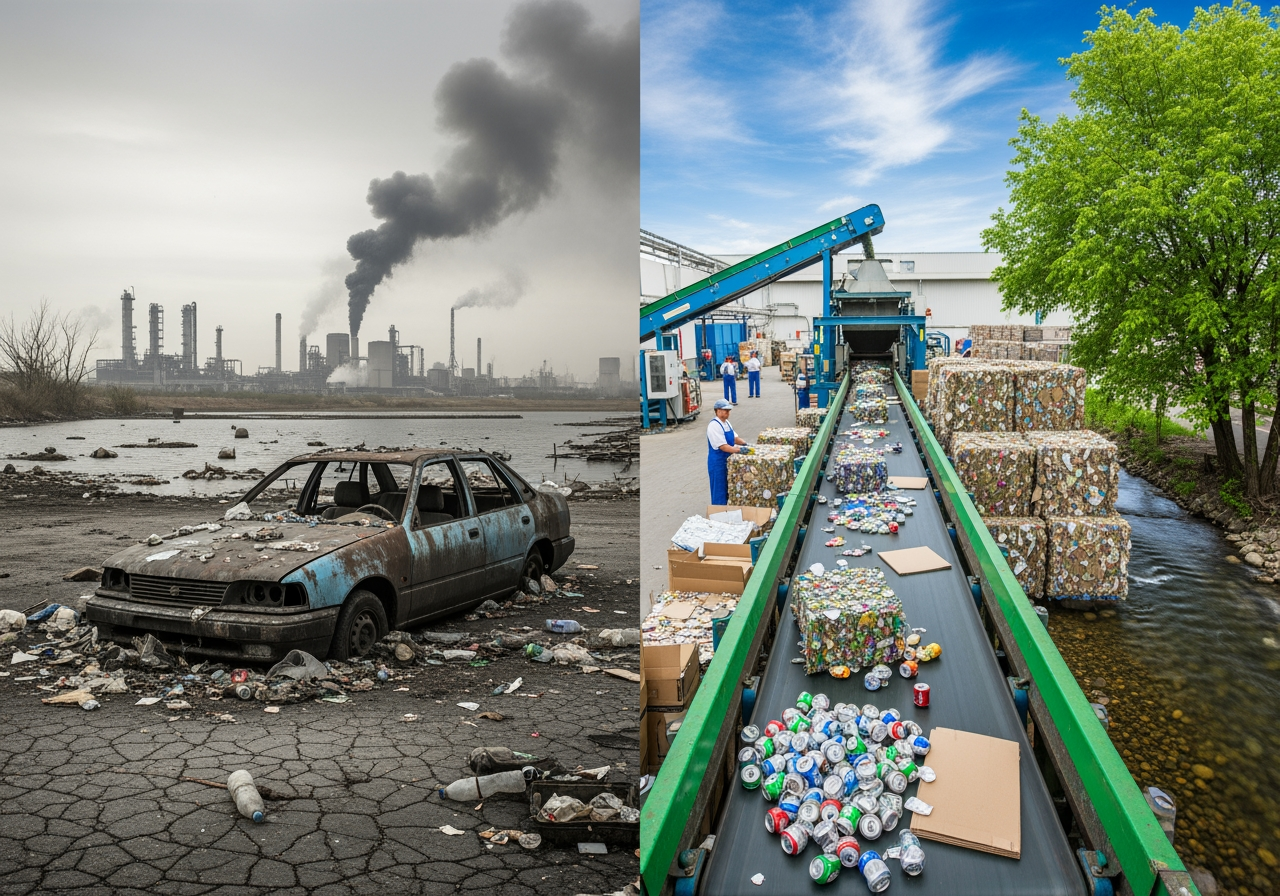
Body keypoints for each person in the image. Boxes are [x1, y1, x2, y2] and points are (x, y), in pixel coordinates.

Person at [707, 398, 748, 504]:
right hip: (717, 462)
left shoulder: (726, 423)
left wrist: (745, 444)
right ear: (718, 411)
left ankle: (727, 510)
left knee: (727, 487)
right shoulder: (714, 425)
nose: (728, 413)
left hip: (727, 461)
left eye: (729, 411)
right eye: (726, 411)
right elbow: (723, 446)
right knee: (719, 488)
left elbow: (735, 438)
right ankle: (718, 512)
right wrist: (738, 450)